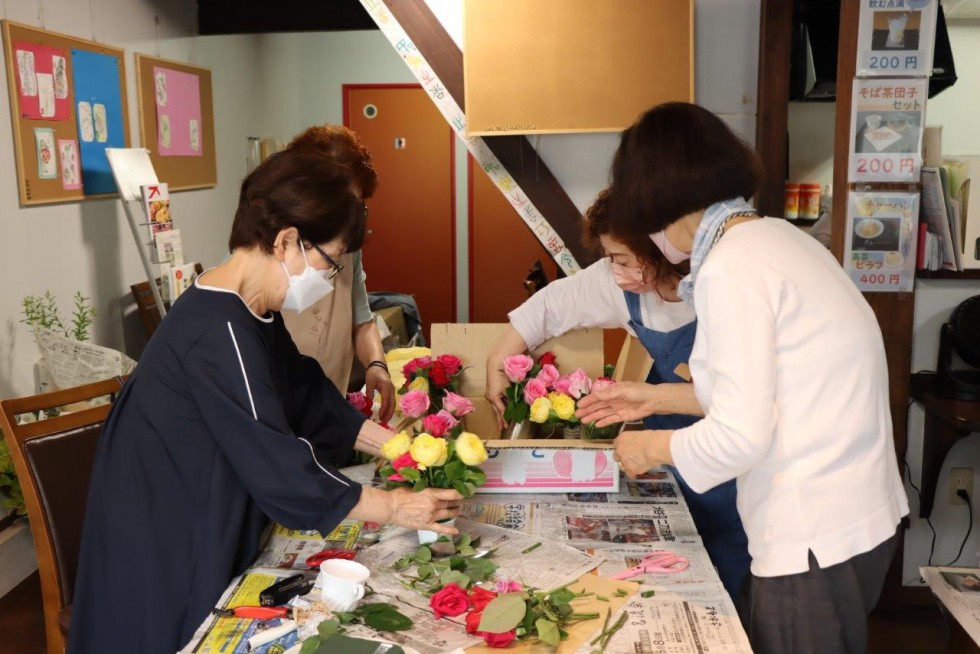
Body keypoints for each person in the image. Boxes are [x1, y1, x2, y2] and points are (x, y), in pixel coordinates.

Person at [68, 128, 463, 654]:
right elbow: (280, 467)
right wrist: (396, 507)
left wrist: (397, 446)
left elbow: (306, 392)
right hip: (165, 533)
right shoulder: (220, 331)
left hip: (197, 506)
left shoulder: (251, 307)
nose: (332, 277)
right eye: (331, 260)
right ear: (285, 241)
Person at [606, 102, 909, 653]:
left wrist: (650, 447)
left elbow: (739, 436)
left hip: (810, 527)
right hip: (857, 514)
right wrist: (651, 399)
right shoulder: (779, 240)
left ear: (650, 194)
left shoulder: (731, 267)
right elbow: (771, 392)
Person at [485, 190, 751, 602]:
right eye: (610, 258)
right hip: (666, 456)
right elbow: (550, 306)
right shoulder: (615, 283)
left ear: (663, 246)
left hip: (736, 463)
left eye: (624, 259)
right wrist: (498, 359)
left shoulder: (722, 288)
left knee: (731, 570)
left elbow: (746, 399)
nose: (616, 270)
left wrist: (651, 397)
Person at [281, 126, 395, 422]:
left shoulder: (347, 246)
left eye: (356, 205)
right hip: (277, 409)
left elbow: (361, 320)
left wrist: (376, 365)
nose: (345, 217)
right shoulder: (268, 249)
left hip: (327, 402)